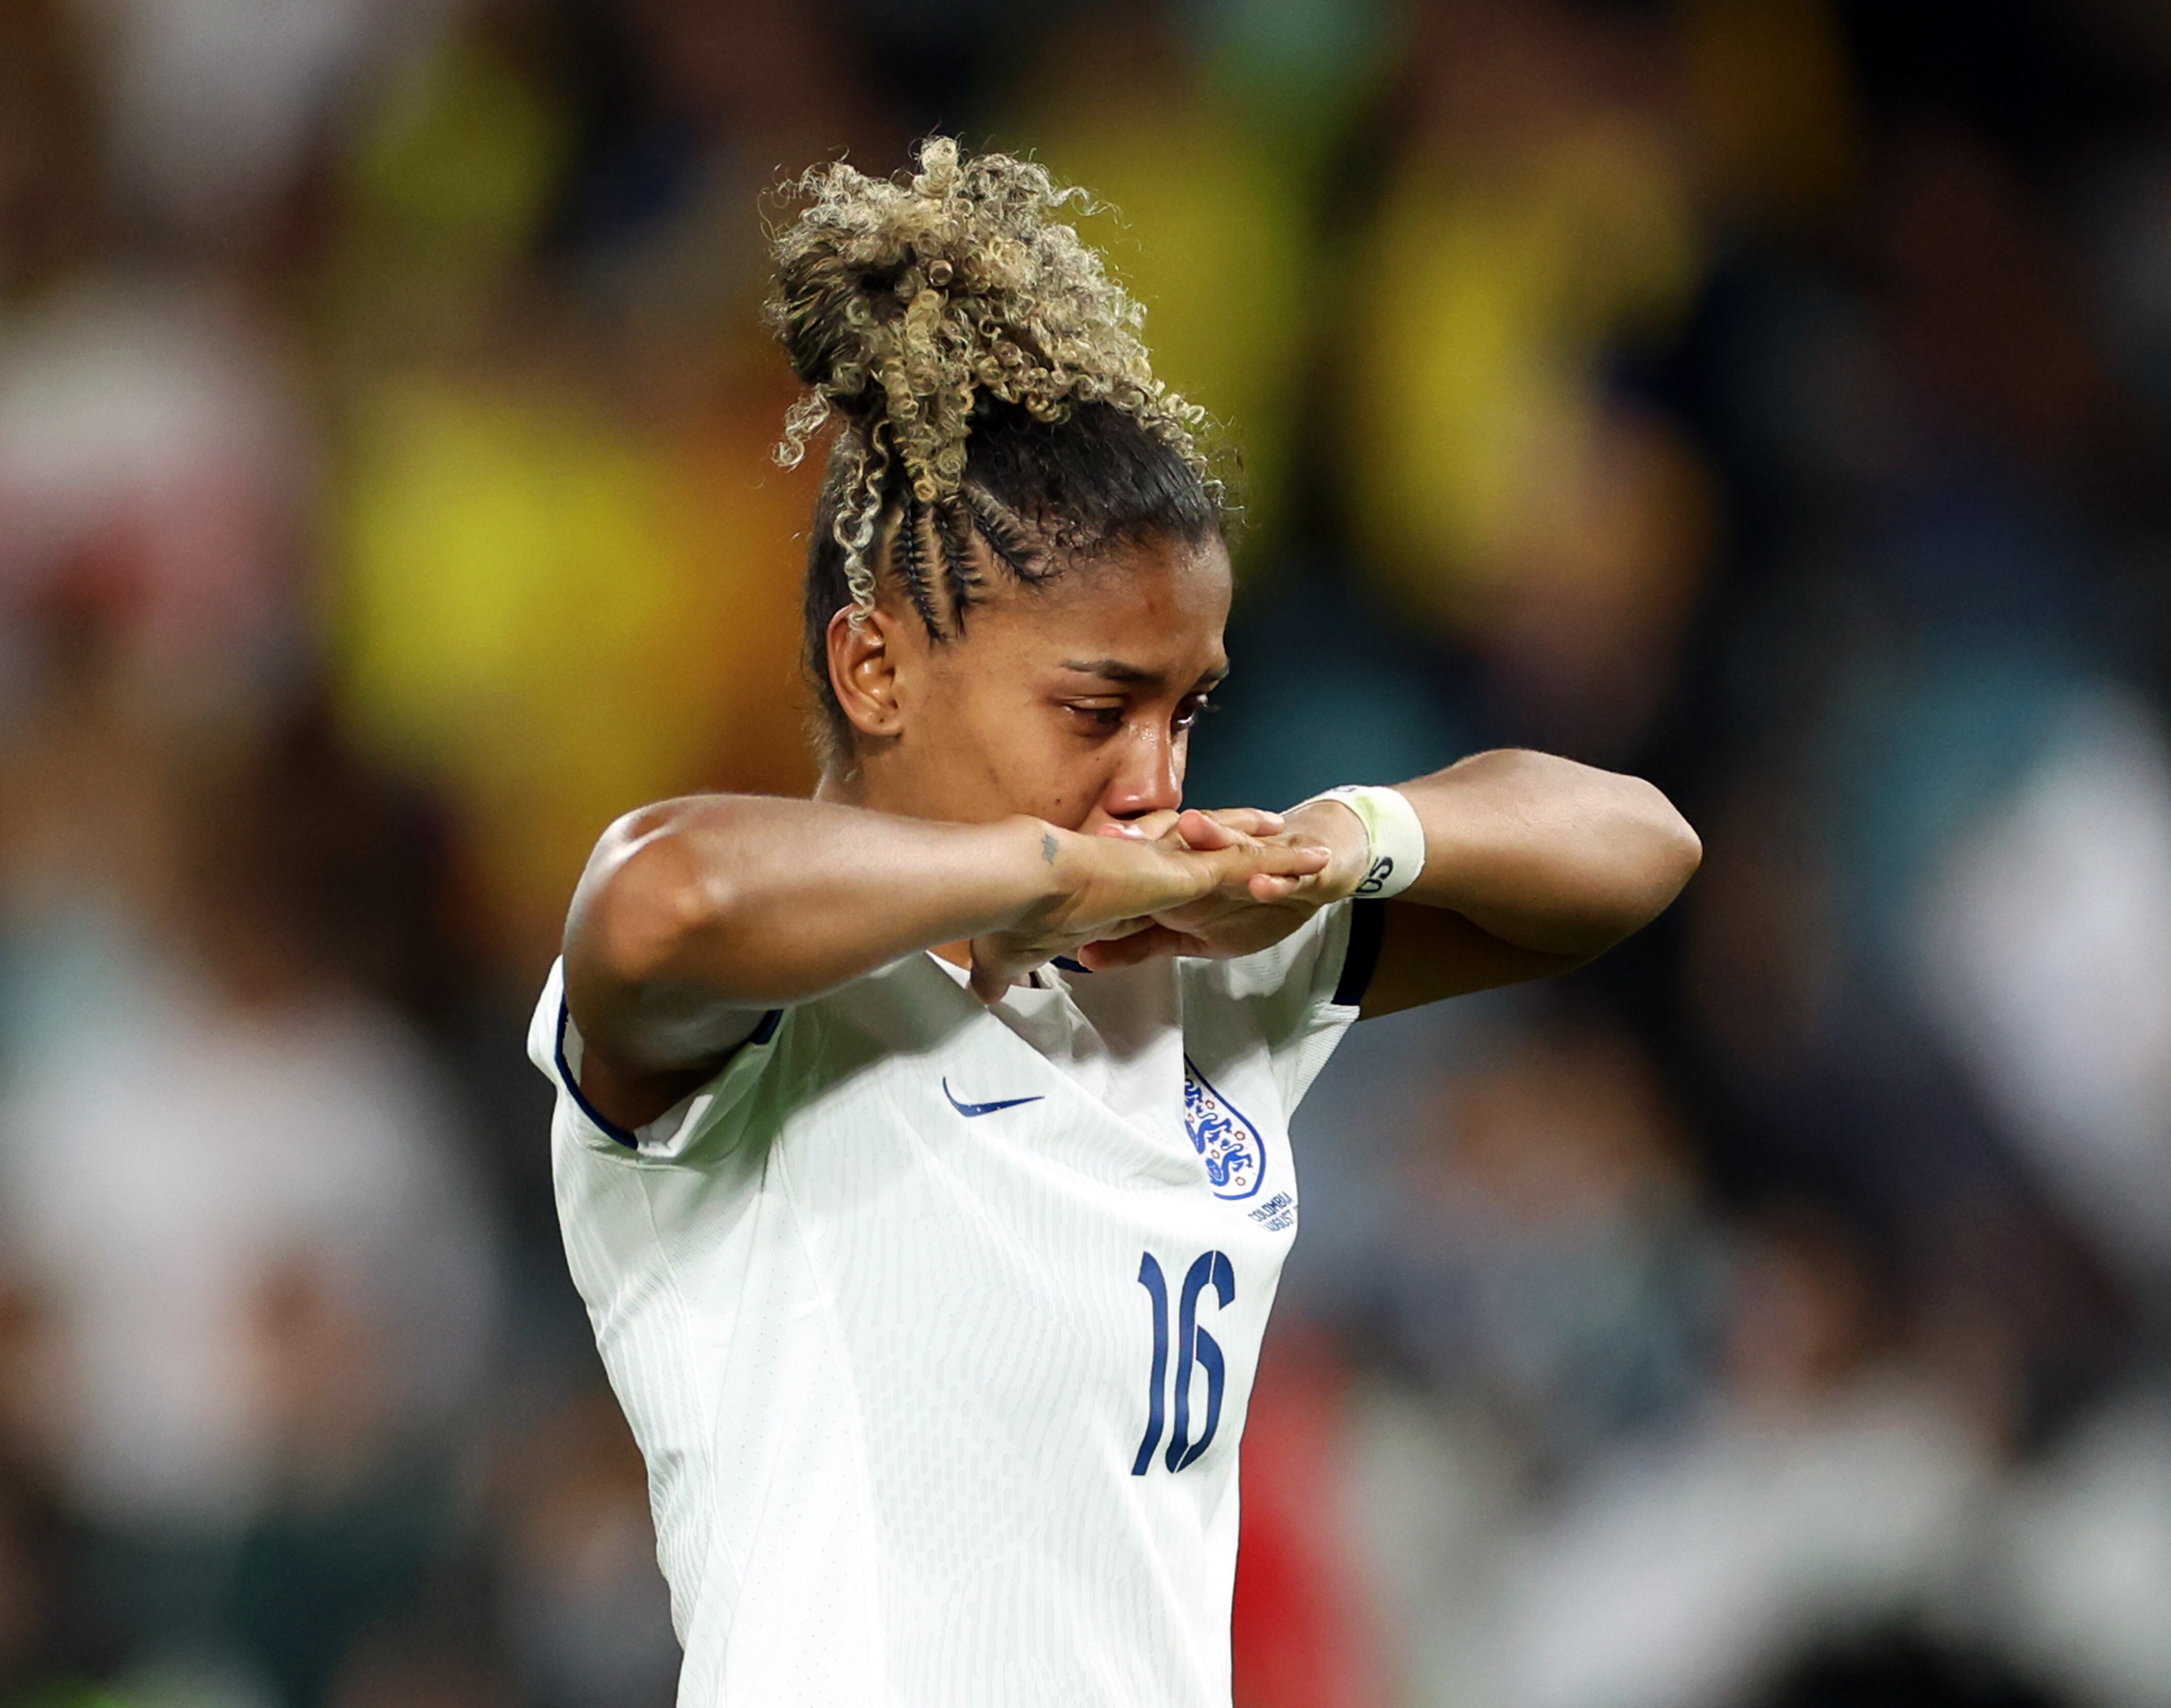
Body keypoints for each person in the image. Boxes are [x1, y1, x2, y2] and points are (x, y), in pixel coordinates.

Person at [528, 138, 1700, 1705]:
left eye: (1188, 710)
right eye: (1096, 707)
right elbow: (658, 896)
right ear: (876, 669)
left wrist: (1337, 842)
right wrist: (1052, 873)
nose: (1154, 779)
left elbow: (1639, 845)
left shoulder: (1197, 984)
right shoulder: (764, 1032)